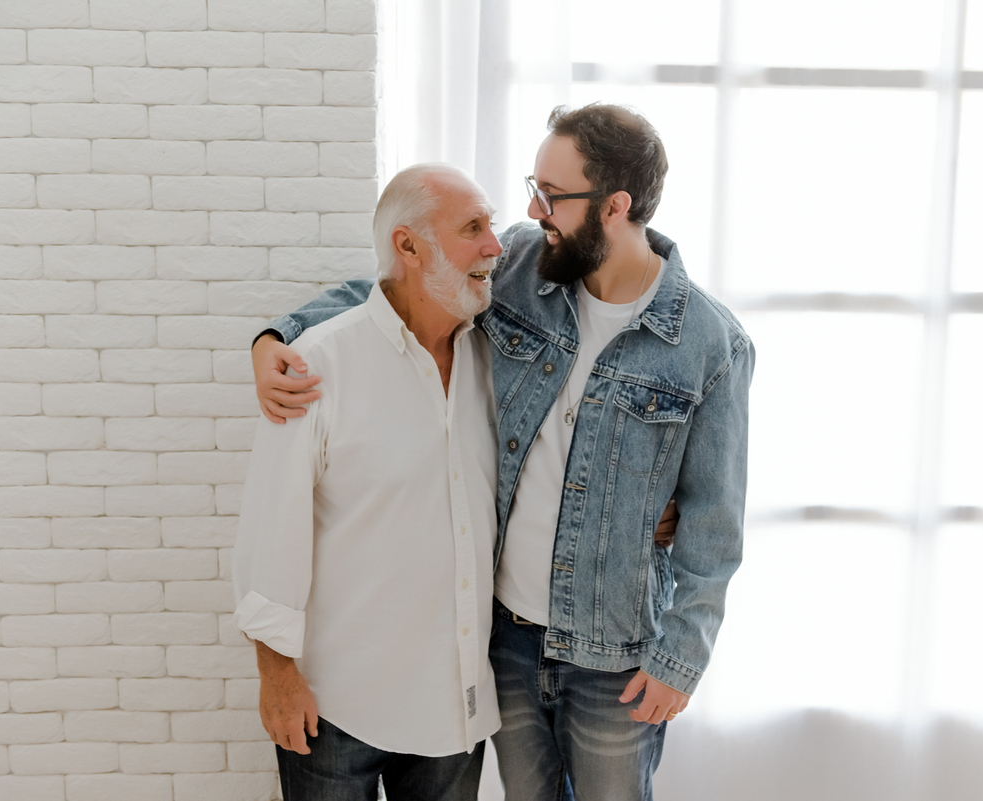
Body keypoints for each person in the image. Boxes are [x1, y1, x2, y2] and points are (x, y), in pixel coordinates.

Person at [252, 104, 754, 801]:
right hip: (509, 641)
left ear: (615, 206)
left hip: (615, 655)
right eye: (532, 185)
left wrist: (682, 656)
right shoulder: (523, 266)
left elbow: (713, 523)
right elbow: (393, 285)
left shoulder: (710, 344)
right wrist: (279, 335)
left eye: (551, 195)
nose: (529, 208)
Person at [233, 163, 504, 801]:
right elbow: (271, 532)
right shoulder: (316, 366)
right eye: (473, 228)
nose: (496, 245)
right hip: (335, 706)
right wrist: (276, 675)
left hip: (455, 704)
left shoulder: (499, 363)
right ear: (407, 246)